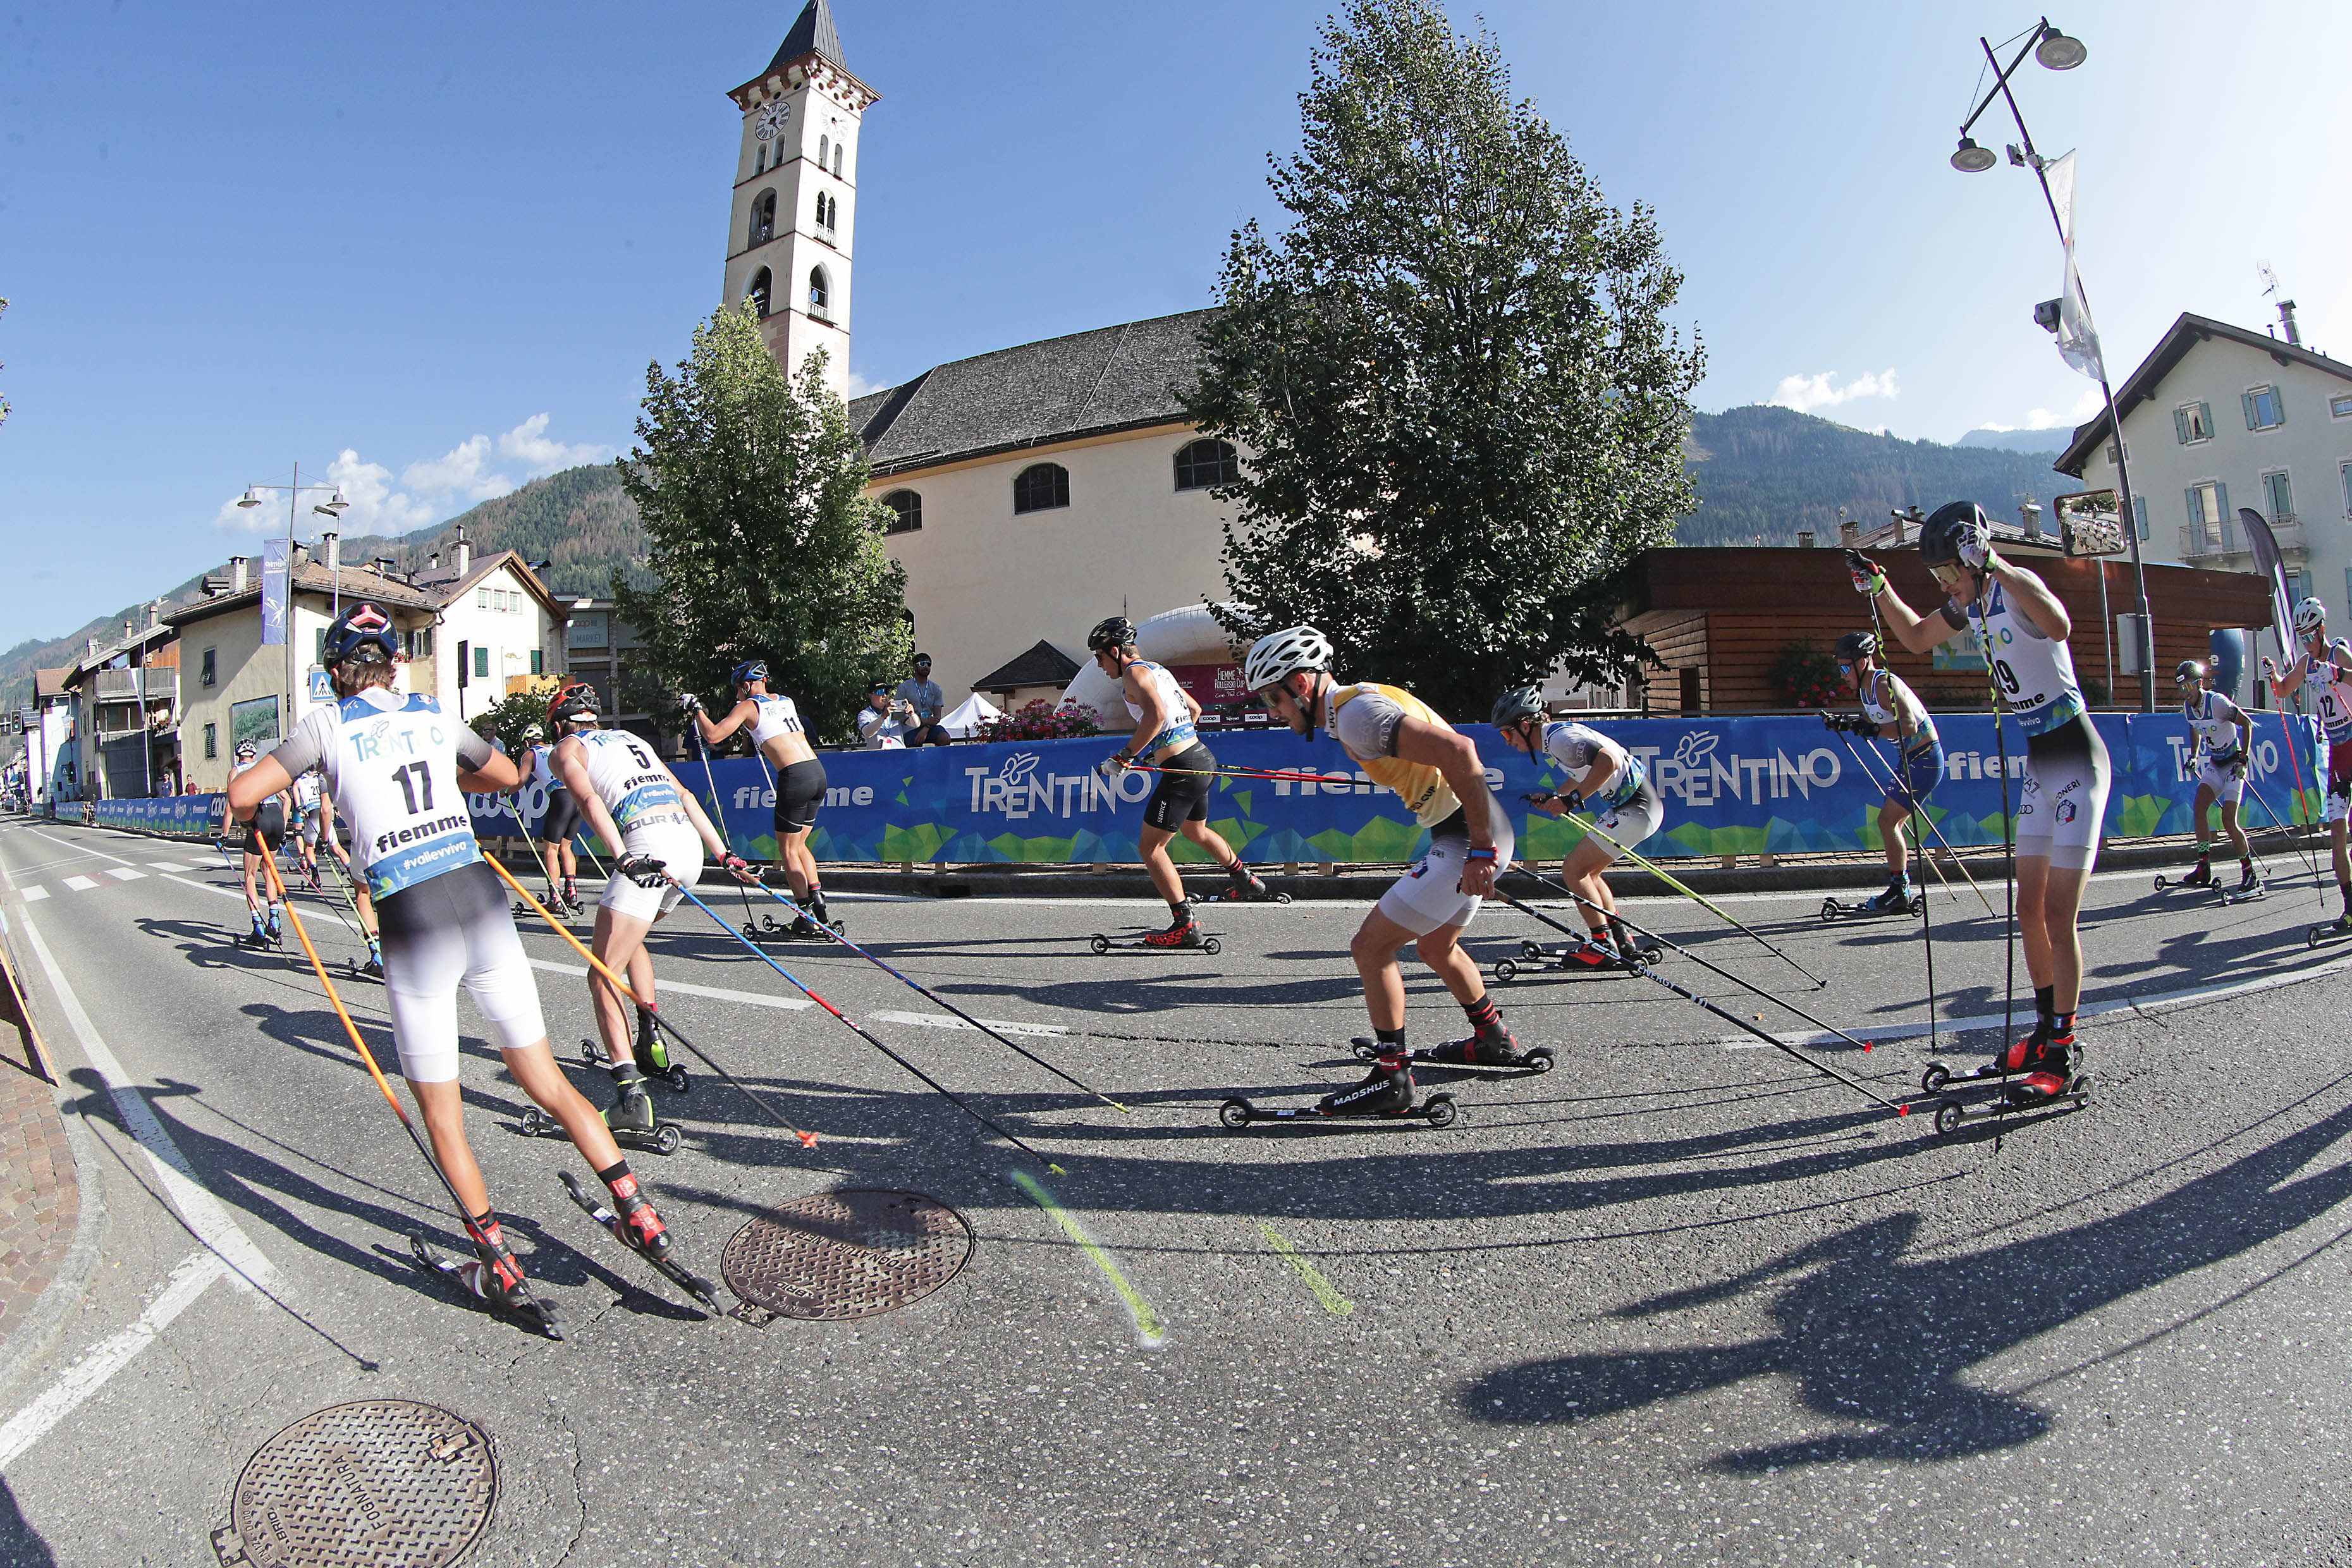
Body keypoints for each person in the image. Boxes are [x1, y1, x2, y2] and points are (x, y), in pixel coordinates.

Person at [226, 603, 680, 1318]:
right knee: (546, 1078)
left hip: (412, 912)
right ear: (393, 664)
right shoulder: (433, 712)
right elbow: (502, 774)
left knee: (443, 1111)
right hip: (477, 895)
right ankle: (634, 1206)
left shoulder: (326, 722)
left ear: (338, 672)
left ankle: (497, 1260)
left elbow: (241, 793)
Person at [1853, 501, 2105, 1103]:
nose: (1947, 586)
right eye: (1939, 577)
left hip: (2076, 757)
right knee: (2028, 911)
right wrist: (1881, 589)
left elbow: (2061, 625)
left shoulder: (2016, 587)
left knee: (2057, 915)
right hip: (2040, 766)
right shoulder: (1971, 605)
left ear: (1975, 553)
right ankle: (2044, 1031)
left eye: (1950, 572)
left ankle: (2064, 1052)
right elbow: (1914, 639)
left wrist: (1999, 563)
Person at [1243, 625, 1524, 1108]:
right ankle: (1492, 1039)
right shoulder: (1357, 704)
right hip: (1475, 826)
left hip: (1468, 835)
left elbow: (1460, 751)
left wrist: (1480, 849)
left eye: (1275, 697)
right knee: (1437, 947)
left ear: (1303, 684)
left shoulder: (1357, 716)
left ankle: (1391, 1079)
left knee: (1370, 948)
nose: (1273, 710)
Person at [548, 682, 756, 1137]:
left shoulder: (566, 748)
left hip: (646, 845)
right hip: (687, 848)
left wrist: (621, 856)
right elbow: (686, 796)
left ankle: (629, 1096)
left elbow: (589, 800)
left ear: (561, 721)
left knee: (601, 973)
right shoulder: (632, 739)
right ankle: (650, 1040)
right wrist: (724, 855)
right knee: (632, 939)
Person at [1087, 616, 1270, 945]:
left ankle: (1184, 925)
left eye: (1099, 657)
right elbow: (1195, 710)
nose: (1099, 665)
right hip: (1200, 758)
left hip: (1183, 768)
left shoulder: (1133, 674)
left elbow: (1156, 716)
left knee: (1151, 847)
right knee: (1194, 830)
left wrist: (1126, 755)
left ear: (1115, 651)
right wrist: (1162, 749)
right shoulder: (1159, 670)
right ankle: (1245, 879)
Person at [1489, 686, 1662, 967]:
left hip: (1637, 808)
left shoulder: (1560, 739)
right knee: (1589, 873)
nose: (1507, 742)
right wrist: (1559, 796)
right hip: (1636, 806)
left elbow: (1609, 760)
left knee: (1573, 870)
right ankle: (1620, 939)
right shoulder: (1555, 738)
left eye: (1507, 733)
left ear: (1524, 725)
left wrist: (1571, 801)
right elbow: (1584, 772)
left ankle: (1601, 945)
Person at [686, 660, 832, 933]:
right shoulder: (786, 700)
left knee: (787, 850)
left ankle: (806, 915)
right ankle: (819, 906)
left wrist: (697, 710)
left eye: (737, 690)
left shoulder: (748, 706)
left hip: (795, 775)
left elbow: (714, 736)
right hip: (816, 771)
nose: (737, 696)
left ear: (745, 685)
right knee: (800, 845)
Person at [1822, 630, 1944, 912]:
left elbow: (1909, 725)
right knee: (1893, 824)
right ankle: (1900, 887)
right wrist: (1849, 723)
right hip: (1911, 758)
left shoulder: (1883, 683)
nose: (1842, 674)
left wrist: (1873, 729)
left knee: (1887, 822)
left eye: (1844, 667)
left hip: (1925, 758)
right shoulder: (1865, 690)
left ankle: (1899, 889)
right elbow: (1874, 719)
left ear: (1861, 661)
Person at [2263, 596, 2352, 929]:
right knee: (2337, 834)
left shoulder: (2338, 653)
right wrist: (2274, 676)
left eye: (2309, 637)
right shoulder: (2307, 662)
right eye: (2301, 638)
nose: (2306, 644)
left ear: (2321, 630)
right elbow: (2285, 689)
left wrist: (2339, 673)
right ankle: (2349, 907)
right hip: (2339, 753)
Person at [2172, 659, 2257, 893]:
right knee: (2199, 806)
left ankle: (2250, 872)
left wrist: (2244, 759)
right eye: (2181, 689)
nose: (2185, 693)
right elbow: (2195, 728)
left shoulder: (2217, 703)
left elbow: (2247, 723)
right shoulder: (2188, 708)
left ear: (2199, 683)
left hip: (2233, 764)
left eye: (2188, 687)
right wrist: (2194, 755)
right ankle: (2203, 866)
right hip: (2216, 763)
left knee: (2229, 820)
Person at [228, 738, 294, 946]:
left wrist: (223, 835)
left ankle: (258, 927)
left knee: (250, 875)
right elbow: (287, 799)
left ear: (239, 756)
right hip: (276, 816)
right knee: (270, 871)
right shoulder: (263, 768)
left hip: (259, 819)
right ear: (255, 756)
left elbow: (232, 805)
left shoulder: (237, 771)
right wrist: (283, 827)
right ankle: (274, 920)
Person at [525, 721, 581, 912]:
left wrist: (507, 792)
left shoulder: (530, 754)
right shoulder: (557, 748)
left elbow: (519, 780)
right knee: (566, 846)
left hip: (560, 797)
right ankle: (571, 892)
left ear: (527, 742)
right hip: (577, 795)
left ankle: (555, 897)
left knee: (550, 849)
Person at [898, 654, 948, 747]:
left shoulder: (936, 688)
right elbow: (899, 714)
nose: (926, 666)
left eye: (929, 664)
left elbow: (937, 717)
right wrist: (921, 721)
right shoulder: (904, 687)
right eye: (922, 664)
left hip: (929, 727)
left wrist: (926, 728)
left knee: (944, 738)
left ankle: (939, 761)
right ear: (915, 667)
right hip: (910, 727)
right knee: (915, 744)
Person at [857, 681, 910, 749]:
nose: (884, 695)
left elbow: (916, 724)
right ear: (870, 696)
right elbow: (867, 733)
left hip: (899, 753)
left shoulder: (895, 709)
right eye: (880, 692)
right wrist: (883, 716)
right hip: (878, 755)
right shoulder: (865, 714)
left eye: (887, 691)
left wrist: (912, 714)